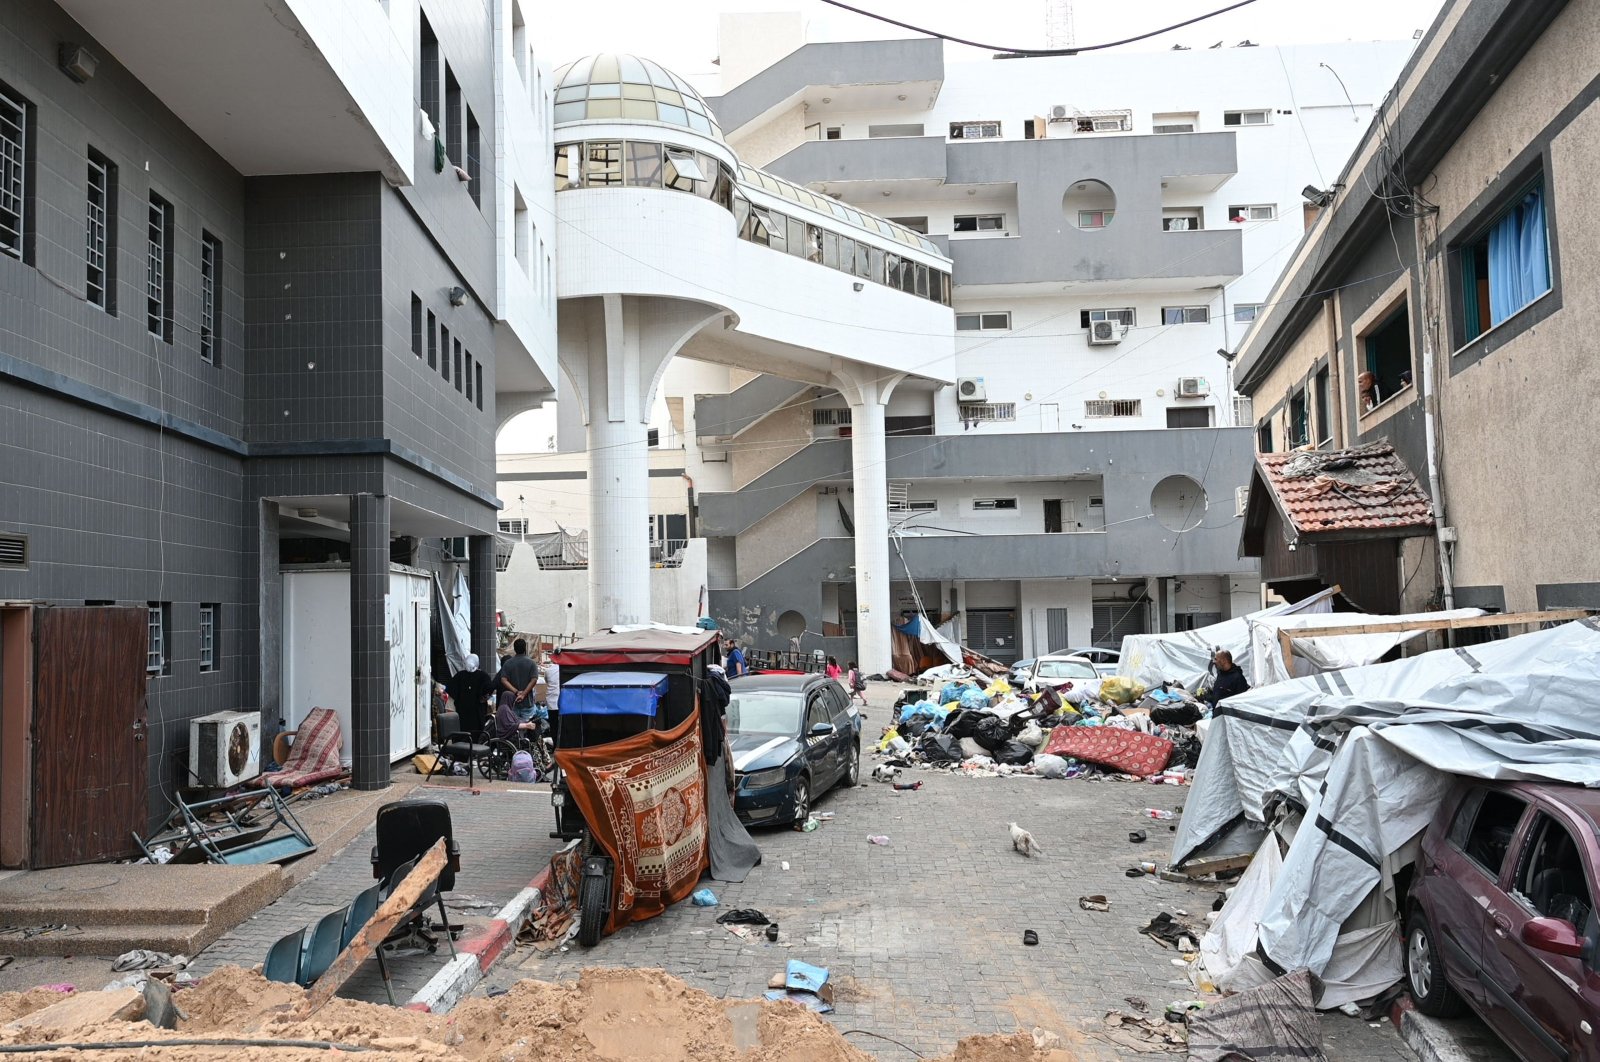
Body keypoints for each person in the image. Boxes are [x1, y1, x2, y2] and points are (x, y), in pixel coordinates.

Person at [443, 653, 493, 737]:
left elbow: (451, 691)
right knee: (476, 735)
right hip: (477, 713)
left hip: (461, 713)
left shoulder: (459, 676)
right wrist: (482, 699)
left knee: (462, 734)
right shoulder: (483, 676)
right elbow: (489, 690)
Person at [496, 638, 540, 723]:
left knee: (514, 728)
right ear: (525, 648)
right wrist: (523, 694)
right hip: (527, 703)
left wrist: (516, 692)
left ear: (514, 649)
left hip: (513, 702)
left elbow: (503, 680)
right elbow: (534, 680)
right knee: (528, 728)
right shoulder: (531, 663)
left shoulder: (508, 663)